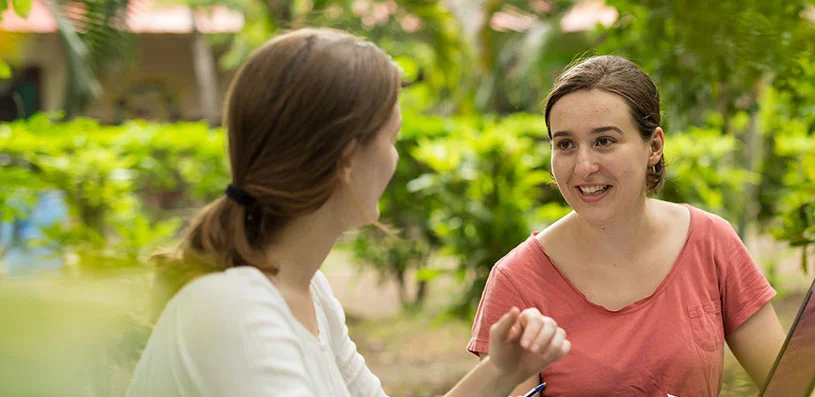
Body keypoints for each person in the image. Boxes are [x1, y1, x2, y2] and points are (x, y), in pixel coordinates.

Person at [126, 28, 571, 397]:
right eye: (392, 137)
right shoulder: (237, 312)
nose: (395, 159)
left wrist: (501, 369)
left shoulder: (307, 290)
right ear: (346, 158)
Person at [468, 55, 815, 396]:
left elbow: (795, 384)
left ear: (653, 146)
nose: (583, 166)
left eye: (604, 141)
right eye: (565, 144)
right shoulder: (518, 281)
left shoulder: (710, 241)